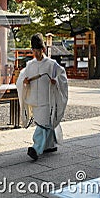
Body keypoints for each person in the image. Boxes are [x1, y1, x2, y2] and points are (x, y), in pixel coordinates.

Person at [16, 33, 68, 161]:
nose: (36, 53)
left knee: (43, 125)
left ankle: (36, 148)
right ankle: (49, 145)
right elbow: (21, 79)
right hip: (35, 99)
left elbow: (62, 78)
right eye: (33, 51)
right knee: (45, 124)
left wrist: (56, 81)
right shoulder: (30, 65)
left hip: (47, 99)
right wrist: (25, 82)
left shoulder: (52, 64)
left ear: (43, 50)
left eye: (38, 51)